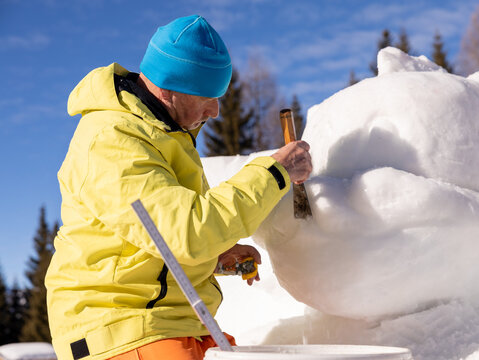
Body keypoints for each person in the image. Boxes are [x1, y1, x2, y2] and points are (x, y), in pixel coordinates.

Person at [45, 15, 312, 360]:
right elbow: (186, 233)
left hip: (167, 324)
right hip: (117, 329)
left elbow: (153, 238)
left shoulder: (161, 136)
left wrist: (212, 258)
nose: (215, 111)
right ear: (171, 85)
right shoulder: (112, 140)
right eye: (207, 95)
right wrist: (275, 173)